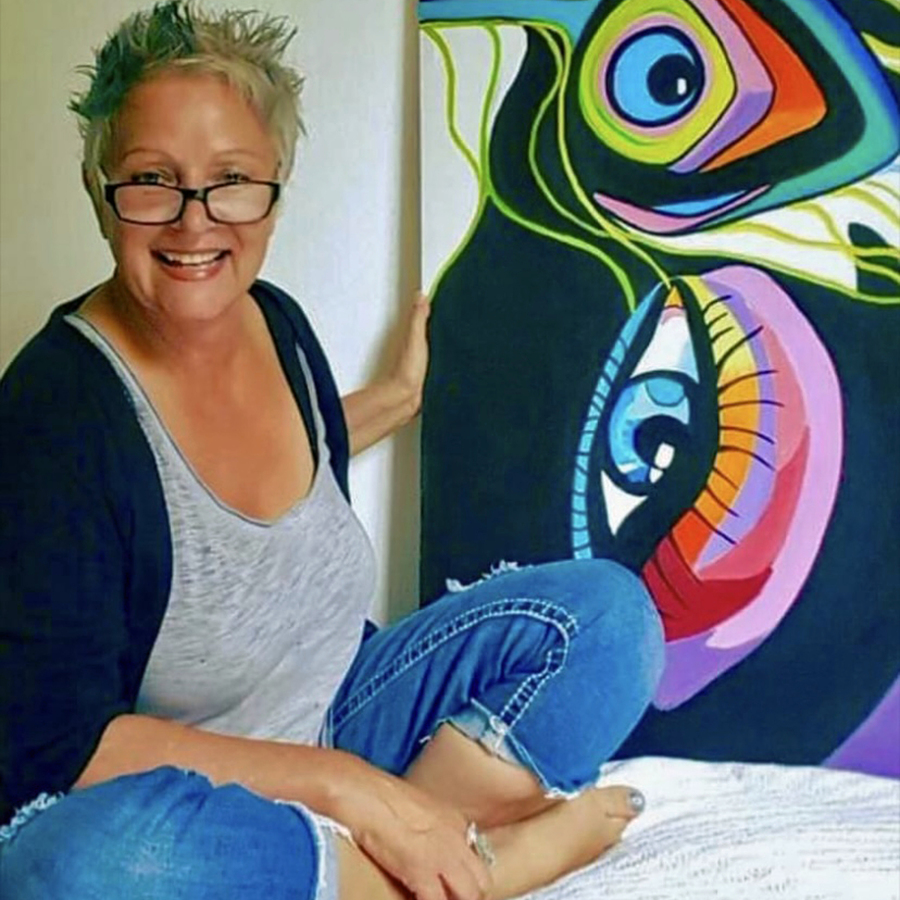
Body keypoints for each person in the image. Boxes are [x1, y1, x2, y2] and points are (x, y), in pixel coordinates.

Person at [0, 3, 665, 898]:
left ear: (276, 188)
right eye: (152, 179)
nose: (196, 222)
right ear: (97, 187)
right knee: (70, 869)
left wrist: (395, 398)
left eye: (232, 179)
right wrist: (351, 790)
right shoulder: (53, 414)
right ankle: (478, 869)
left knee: (610, 619)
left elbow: (261, 485)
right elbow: (57, 746)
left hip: (343, 714)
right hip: (187, 798)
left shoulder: (278, 324)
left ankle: (386, 861)